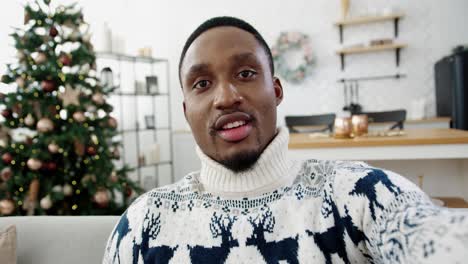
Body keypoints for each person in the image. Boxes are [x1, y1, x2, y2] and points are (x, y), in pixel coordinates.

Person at [103, 16, 468, 264]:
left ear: (276, 90)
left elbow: (430, 235)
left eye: (246, 73)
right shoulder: (143, 223)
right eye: (202, 83)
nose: (226, 96)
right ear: (186, 111)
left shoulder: (361, 194)